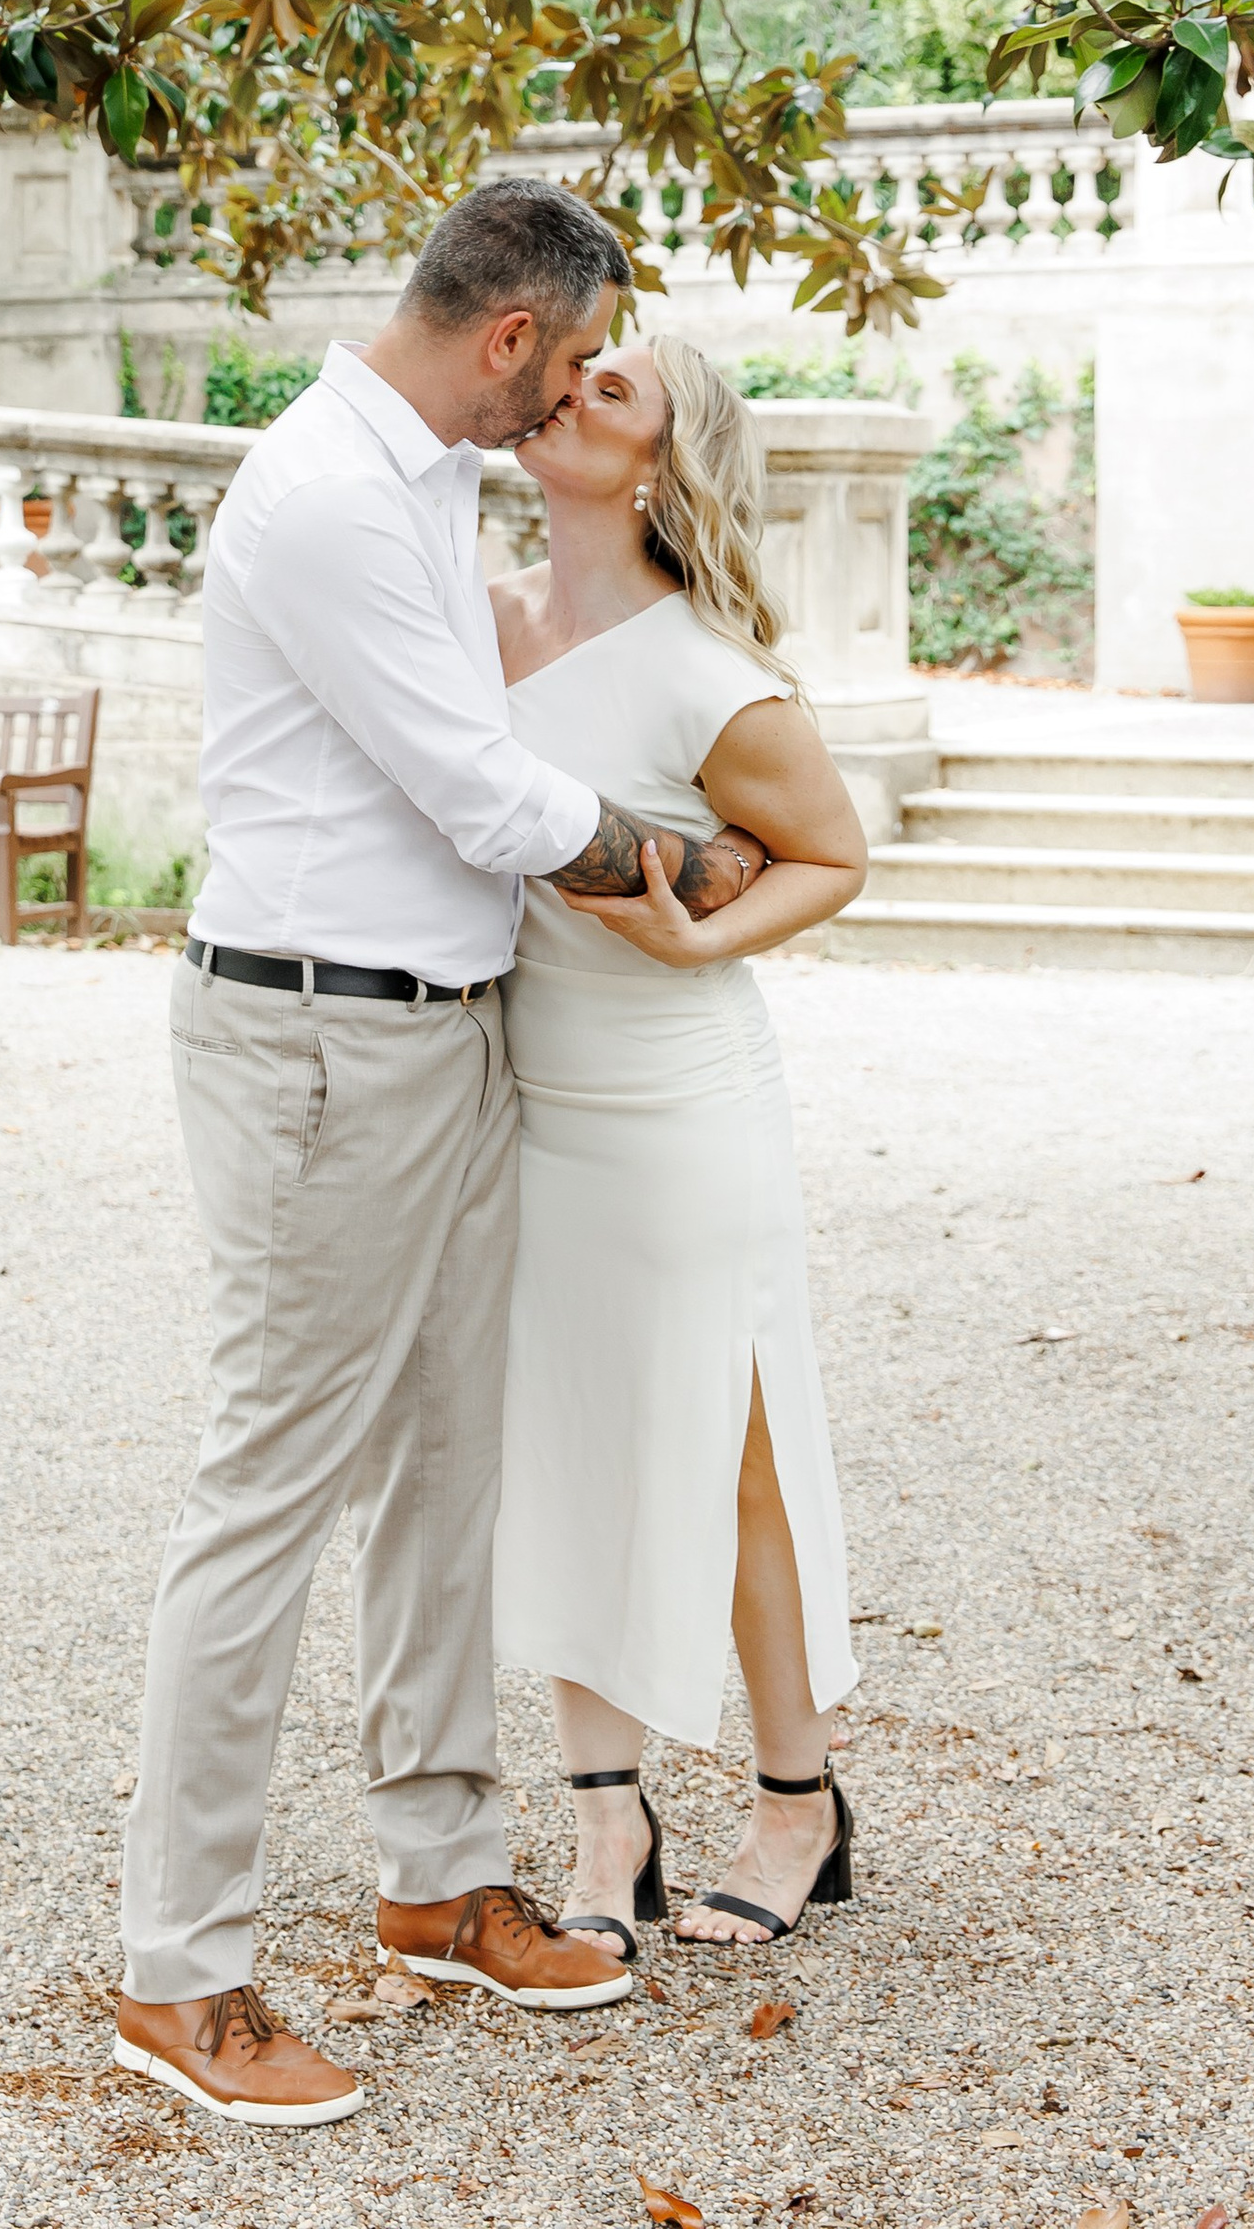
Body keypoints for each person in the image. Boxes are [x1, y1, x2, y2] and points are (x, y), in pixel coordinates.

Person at [112, 185, 769, 2128]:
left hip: (436, 1025)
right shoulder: (323, 494)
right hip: (316, 1036)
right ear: (509, 340)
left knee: (441, 1471)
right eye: (568, 364)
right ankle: (184, 1976)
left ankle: (432, 1874)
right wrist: (693, 863)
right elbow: (476, 789)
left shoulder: (416, 476)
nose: (570, 397)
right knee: (267, 1491)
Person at [492, 333, 870, 1957]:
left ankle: (799, 1802)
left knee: (734, 1453)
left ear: (662, 460)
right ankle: (605, 1822)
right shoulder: (477, 619)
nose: (569, 392)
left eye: (614, 390)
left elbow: (834, 855)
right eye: (569, 370)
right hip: (522, 1095)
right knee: (561, 1444)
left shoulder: (707, 671)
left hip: (673, 1099)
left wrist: (706, 945)